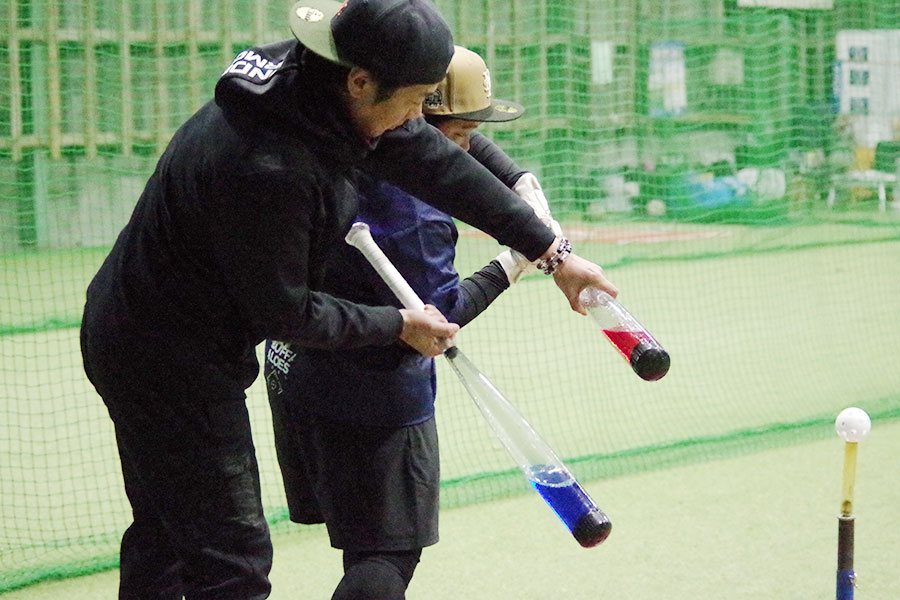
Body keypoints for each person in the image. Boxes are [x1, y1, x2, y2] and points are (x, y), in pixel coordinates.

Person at [79, 1, 618, 598]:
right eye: (413, 100)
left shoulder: (317, 91)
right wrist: (396, 324)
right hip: (165, 355)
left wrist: (553, 255)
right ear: (360, 81)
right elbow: (286, 312)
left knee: (166, 531)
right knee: (230, 561)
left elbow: (433, 158)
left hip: (144, 326)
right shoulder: (271, 166)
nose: (419, 118)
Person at [264, 45, 562, 600]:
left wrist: (514, 178)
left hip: (294, 370)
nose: (468, 148)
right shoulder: (417, 215)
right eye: (461, 134)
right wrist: (512, 263)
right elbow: (435, 320)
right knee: (387, 554)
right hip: (372, 393)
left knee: (362, 540)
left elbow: (448, 137)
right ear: (415, 116)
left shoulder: (345, 136)